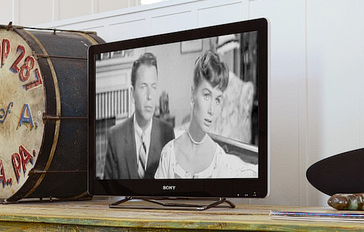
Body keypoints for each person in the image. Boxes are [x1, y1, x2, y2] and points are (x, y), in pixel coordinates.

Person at [155, 50, 257, 179]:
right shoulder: (169, 153)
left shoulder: (219, 161)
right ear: (193, 94)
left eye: (218, 100)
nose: (211, 110)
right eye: (207, 96)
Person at [104, 52, 175, 179]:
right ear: (132, 93)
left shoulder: (167, 133)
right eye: (143, 87)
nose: (150, 96)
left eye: (153, 87)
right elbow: (108, 192)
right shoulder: (115, 137)